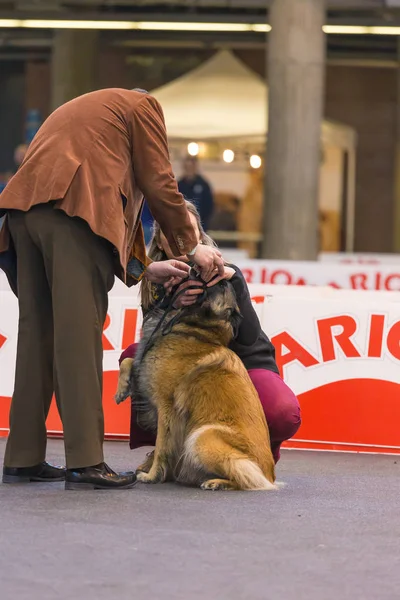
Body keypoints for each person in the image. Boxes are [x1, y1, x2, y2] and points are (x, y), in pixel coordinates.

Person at [0, 88, 224, 491]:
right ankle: (86, 462)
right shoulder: (144, 106)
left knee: (39, 337)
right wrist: (194, 246)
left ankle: (22, 457)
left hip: (23, 217)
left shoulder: (91, 111)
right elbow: (158, 182)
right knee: (77, 340)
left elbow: (111, 193)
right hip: (69, 215)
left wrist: (145, 267)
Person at [119, 201, 301, 464]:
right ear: (159, 243)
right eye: (171, 234)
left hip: (241, 364)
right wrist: (171, 305)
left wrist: (232, 282)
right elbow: (153, 346)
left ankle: (261, 453)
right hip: (188, 369)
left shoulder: (227, 273)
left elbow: (249, 338)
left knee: (282, 411)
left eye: (187, 233)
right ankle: (165, 453)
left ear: (200, 239)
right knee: (135, 356)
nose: (180, 240)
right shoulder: (156, 281)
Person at [178, 155, 214, 231]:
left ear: (195, 167)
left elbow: (209, 206)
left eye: (191, 167)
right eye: (187, 167)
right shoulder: (179, 185)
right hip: (182, 224)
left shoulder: (203, 184)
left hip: (200, 225)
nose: (189, 170)